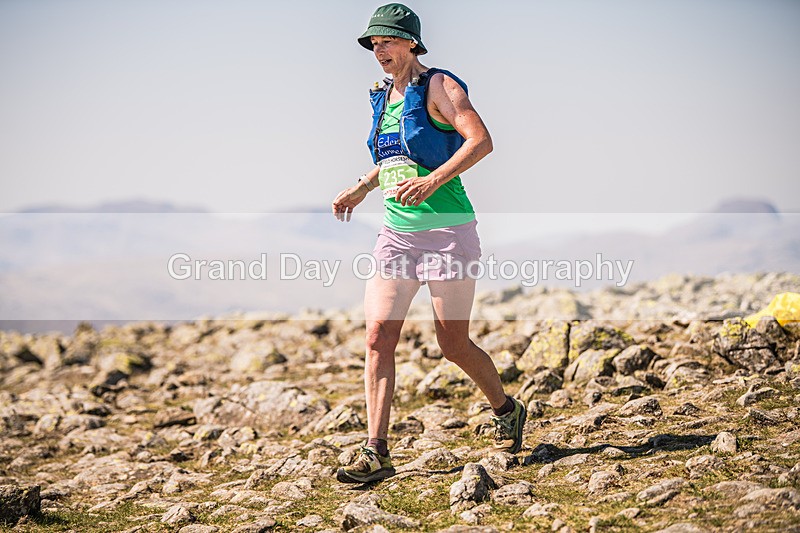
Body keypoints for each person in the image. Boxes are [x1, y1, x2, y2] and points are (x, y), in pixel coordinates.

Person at [331, 3, 526, 484]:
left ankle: (505, 408)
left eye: (388, 41)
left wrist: (434, 181)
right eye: (374, 43)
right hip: (396, 236)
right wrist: (362, 186)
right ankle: (376, 451)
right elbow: (397, 155)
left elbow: (480, 141)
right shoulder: (381, 96)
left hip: (448, 234)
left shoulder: (440, 86)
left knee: (452, 343)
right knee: (378, 336)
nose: (379, 50)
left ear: (411, 42)